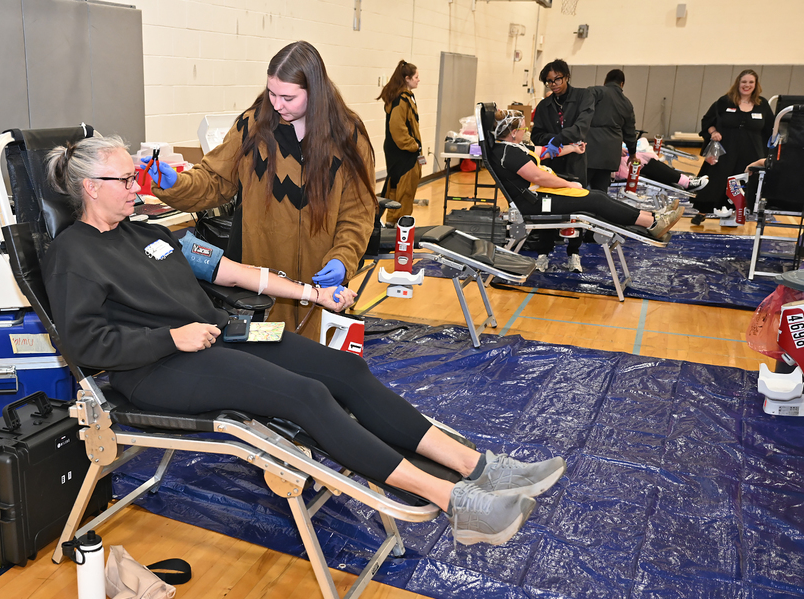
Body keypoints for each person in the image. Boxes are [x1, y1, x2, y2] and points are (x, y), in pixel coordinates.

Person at [41, 134, 568, 546]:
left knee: (345, 372)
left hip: (219, 336)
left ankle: (479, 467)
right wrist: (169, 337)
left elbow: (223, 270)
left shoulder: (149, 231)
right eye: (127, 180)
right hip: (158, 368)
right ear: (90, 187)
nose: (139, 187)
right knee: (307, 397)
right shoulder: (73, 255)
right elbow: (85, 345)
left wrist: (312, 294)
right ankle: (457, 502)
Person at [145, 41, 377, 341]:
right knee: (268, 366)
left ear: (316, 92)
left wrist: (342, 259)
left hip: (321, 285)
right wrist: (175, 184)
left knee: (315, 368)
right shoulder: (253, 127)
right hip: (261, 287)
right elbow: (215, 180)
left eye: (288, 97)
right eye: (272, 93)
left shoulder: (348, 135)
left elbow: (358, 212)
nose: (277, 104)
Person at [489, 110, 682, 253]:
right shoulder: (508, 152)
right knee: (596, 201)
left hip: (540, 196)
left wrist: (572, 148)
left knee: (597, 195)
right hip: (535, 203)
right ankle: (651, 223)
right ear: (513, 132)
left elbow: (544, 151)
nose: (525, 131)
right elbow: (537, 177)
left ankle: (652, 216)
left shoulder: (514, 148)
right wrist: (567, 184)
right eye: (523, 128)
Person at [530, 59, 596, 272]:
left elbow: (581, 127)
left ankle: (574, 254)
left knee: (576, 210)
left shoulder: (583, 96)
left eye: (557, 79)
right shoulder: (544, 106)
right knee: (548, 209)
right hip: (551, 166)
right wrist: (556, 141)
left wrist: (557, 140)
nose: (554, 84)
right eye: (549, 81)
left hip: (575, 163)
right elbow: (536, 136)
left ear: (566, 76)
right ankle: (543, 253)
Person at [691, 69, 774, 224]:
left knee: (742, 184)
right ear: (738, 83)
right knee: (716, 179)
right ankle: (702, 212)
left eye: (751, 82)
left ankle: (737, 213)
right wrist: (713, 132)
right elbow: (708, 121)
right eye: (744, 82)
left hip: (751, 153)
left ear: (756, 85)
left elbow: (770, 130)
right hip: (725, 150)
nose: (747, 85)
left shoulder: (762, 105)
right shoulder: (724, 102)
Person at [378, 60, 423, 224]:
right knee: (404, 190)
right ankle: (400, 224)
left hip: (398, 151)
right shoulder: (401, 100)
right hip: (403, 152)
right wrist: (413, 146)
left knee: (397, 189)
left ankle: (392, 221)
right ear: (407, 78)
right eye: (416, 77)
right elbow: (397, 128)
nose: (419, 80)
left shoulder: (404, 97)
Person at [586, 69, 638, 193]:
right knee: (601, 192)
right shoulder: (627, 103)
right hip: (609, 154)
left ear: (605, 81)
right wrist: (632, 154)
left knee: (579, 190)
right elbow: (630, 133)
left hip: (589, 150)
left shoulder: (593, 91)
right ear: (622, 84)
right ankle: (598, 212)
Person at [615, 145, 709, 192]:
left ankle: (684, 181)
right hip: (610, 163)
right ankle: (685, 182)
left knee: (644, 159)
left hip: (612, 157)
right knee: (644, 162)